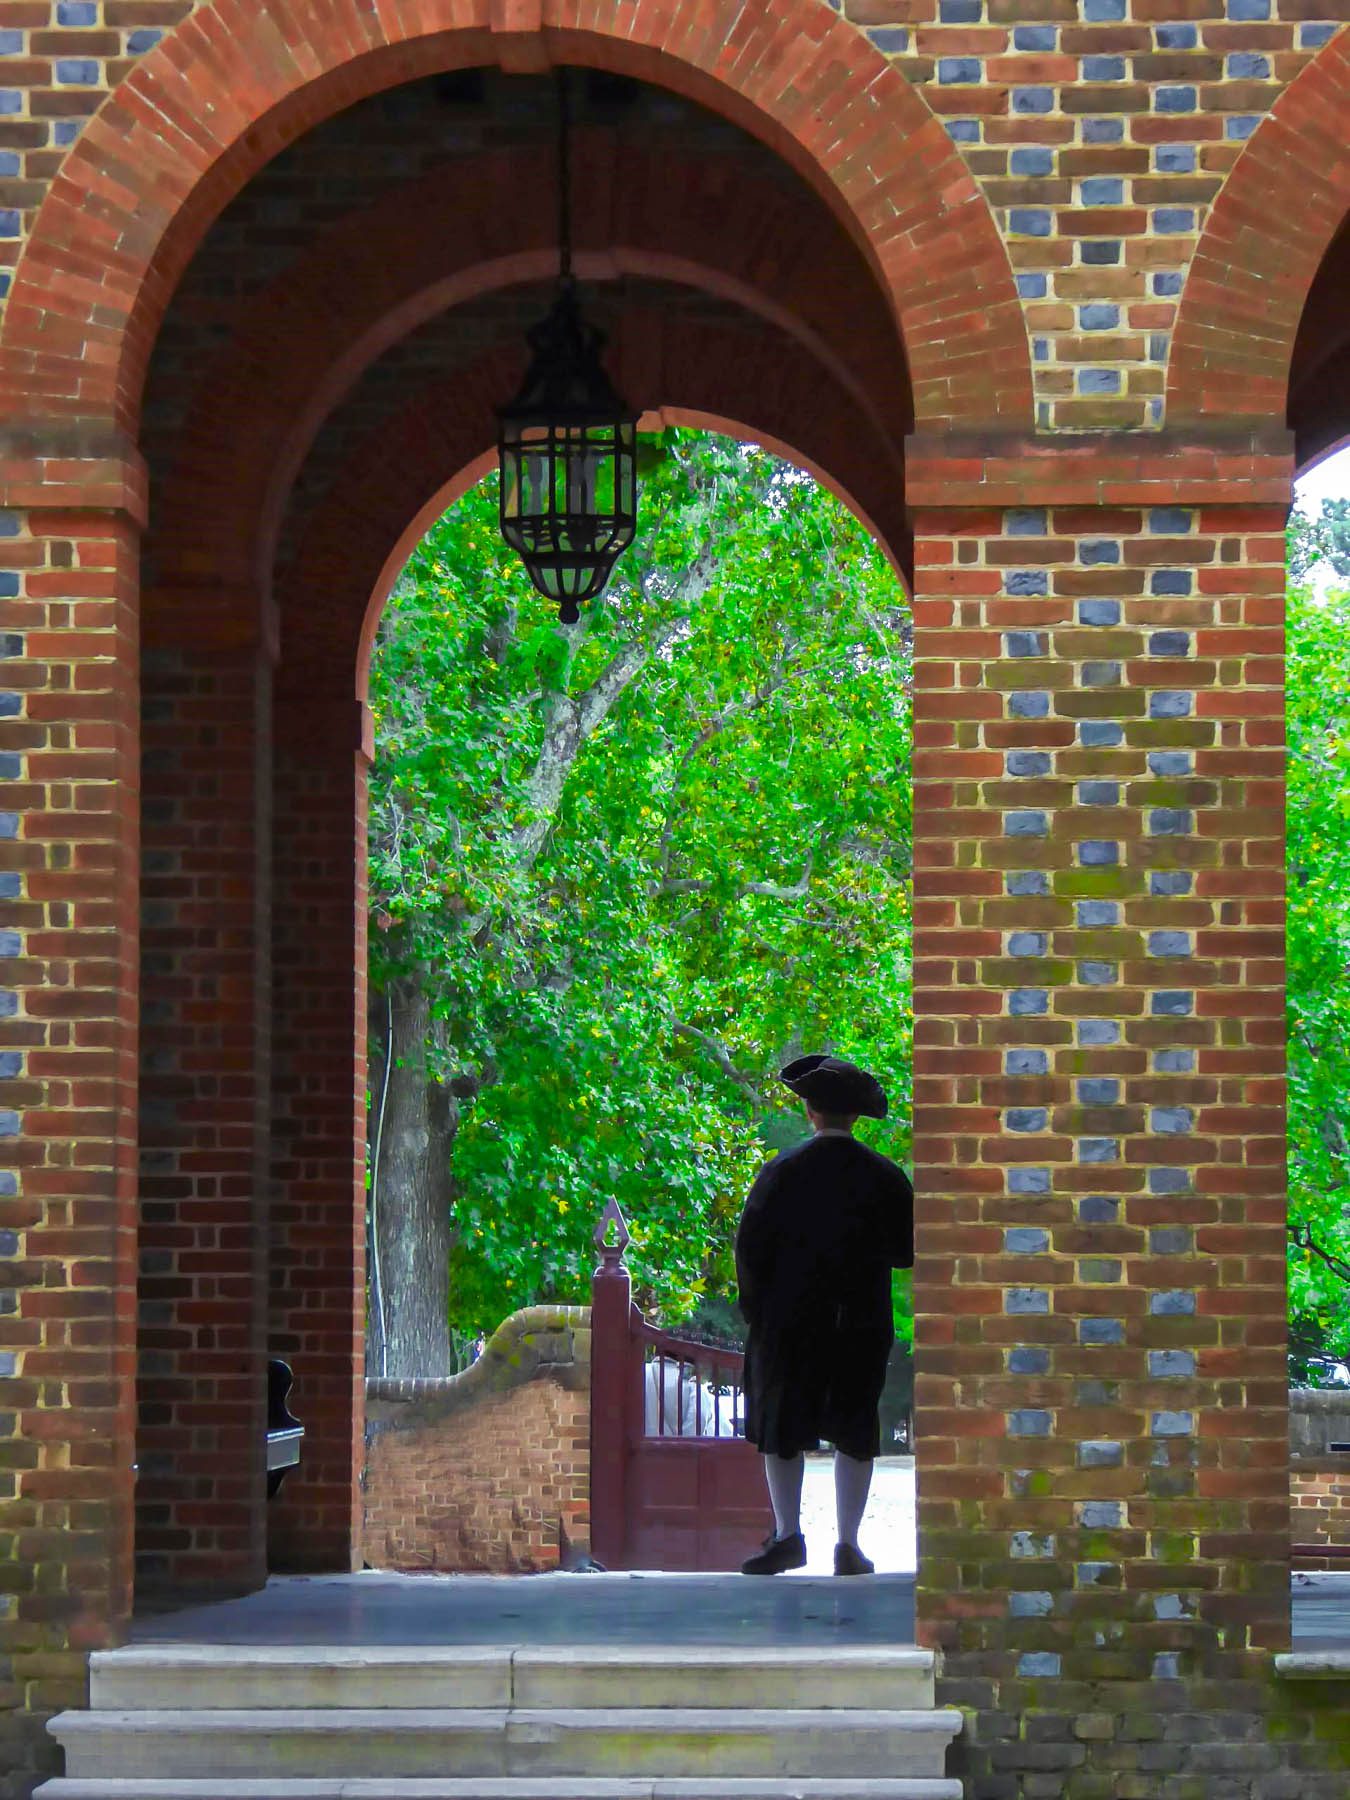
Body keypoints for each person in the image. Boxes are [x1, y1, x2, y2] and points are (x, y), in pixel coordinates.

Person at [734, 1053, 914, 1577]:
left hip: (788, 1322)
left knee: (781, 1427)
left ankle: (788, 1536)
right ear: (854, 1117)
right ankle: (849, 1546)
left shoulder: (780, 1172)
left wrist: (758, 1312)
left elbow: (750, 1248)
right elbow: (906, 1251)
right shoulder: (885, 1177)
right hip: (859, 1319)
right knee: (855, 1427)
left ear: (810, 1112)